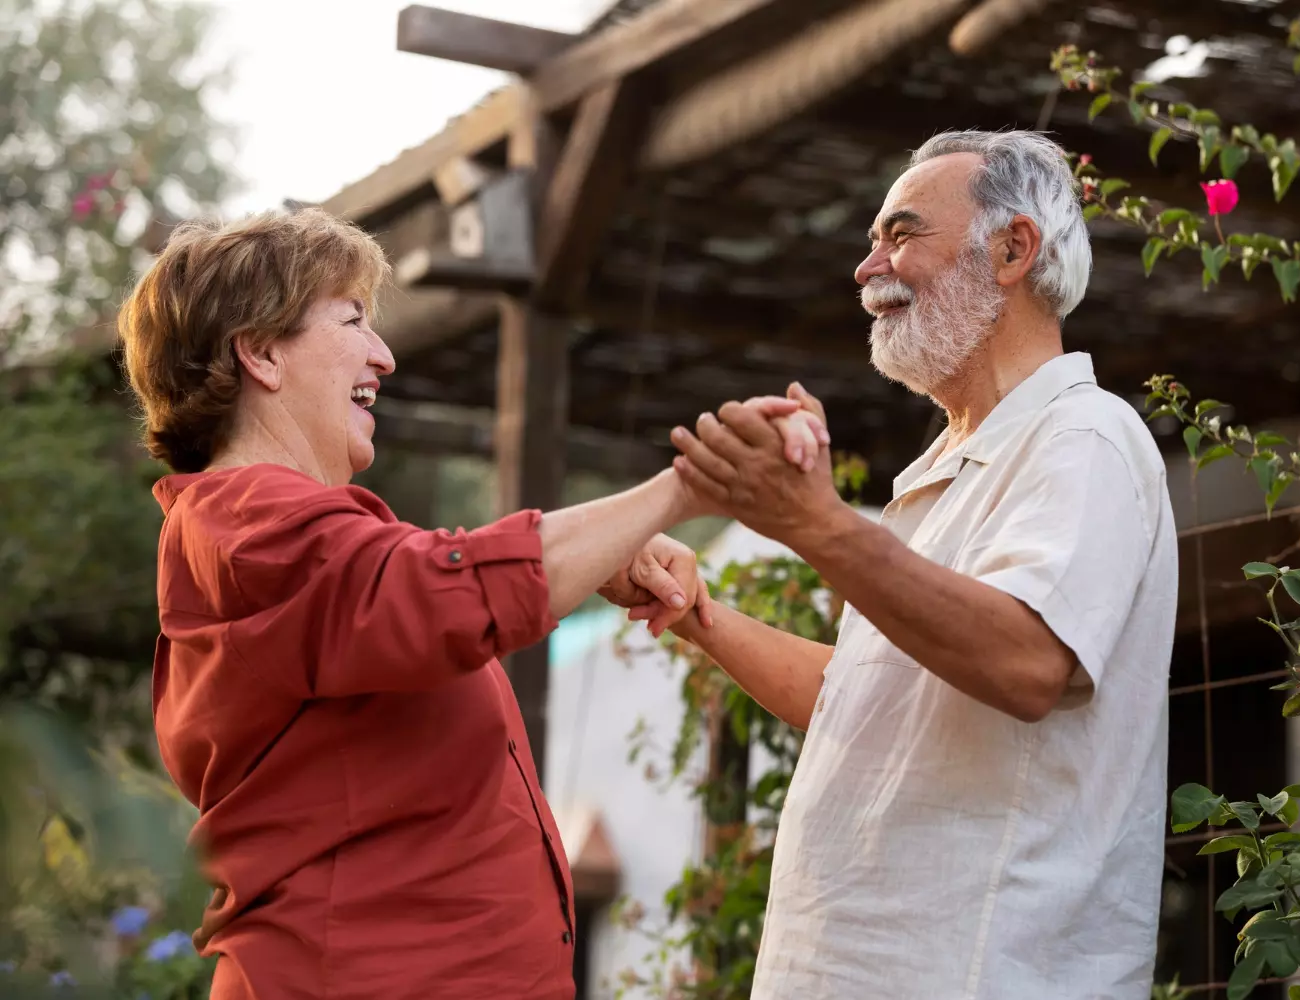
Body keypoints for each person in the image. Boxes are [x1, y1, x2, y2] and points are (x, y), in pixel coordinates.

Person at [116, 208, 823, 999]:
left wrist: (597, 554)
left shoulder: (298, 542)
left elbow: (420, 586)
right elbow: (435, 591)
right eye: (352, 318)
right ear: (260, 353)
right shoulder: (245, 517)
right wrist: (688, 485)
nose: (383, 354)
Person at [656, 130, 1180, 998]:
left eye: (900, 235)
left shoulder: (1085, 436)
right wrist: (700, 615)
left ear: (1013, 249)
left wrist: (817, 523)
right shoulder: (942, 471)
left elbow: (1026, 661)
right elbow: (859, 700)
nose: (868, 269)